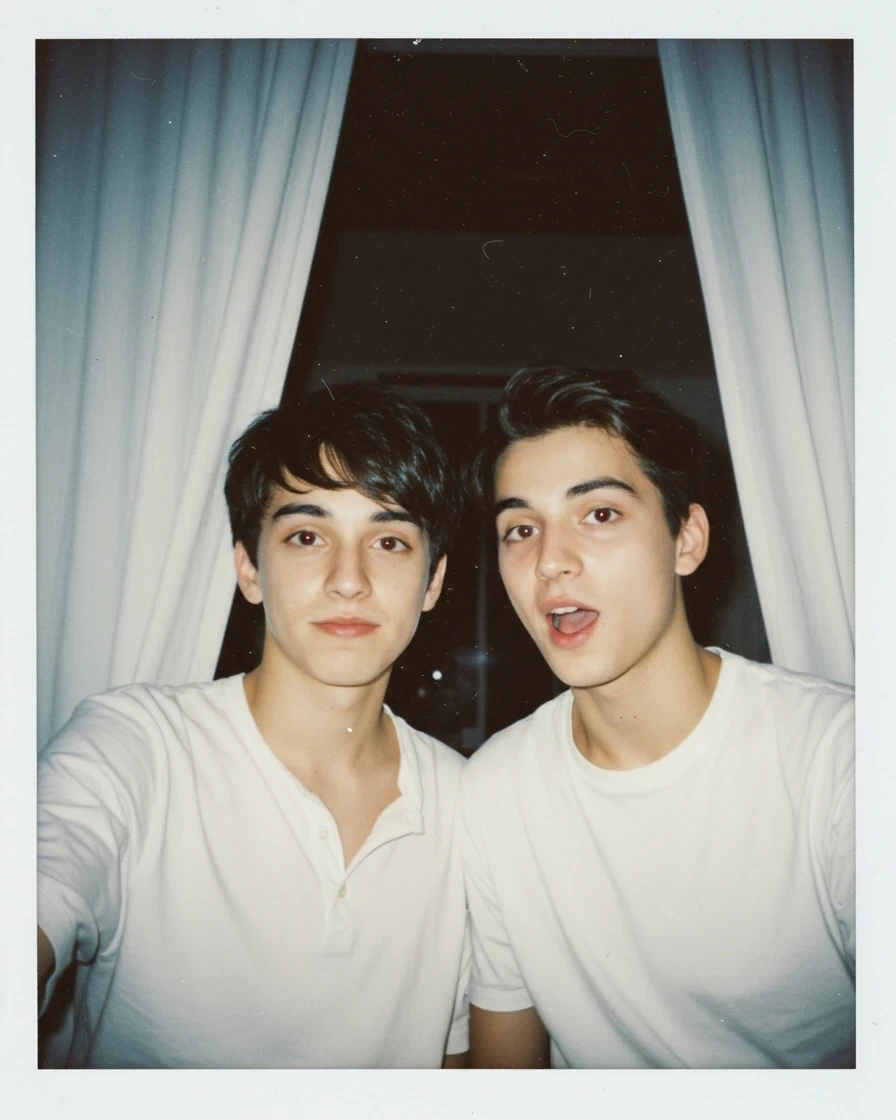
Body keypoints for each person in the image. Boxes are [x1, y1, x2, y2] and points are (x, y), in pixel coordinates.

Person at [37, 383, 470, 1068]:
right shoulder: (136, 746)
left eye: (388, 541)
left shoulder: (471, 804)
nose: (348, 579)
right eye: (306, 536)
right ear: (248, 568)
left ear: (434, 580)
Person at [459, 365, 854, 1069]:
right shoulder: (496, 790)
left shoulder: (839, 759)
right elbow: (503, 1091)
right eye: (520, 528)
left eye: (600, 514)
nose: (550, 561)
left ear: (687, 540)